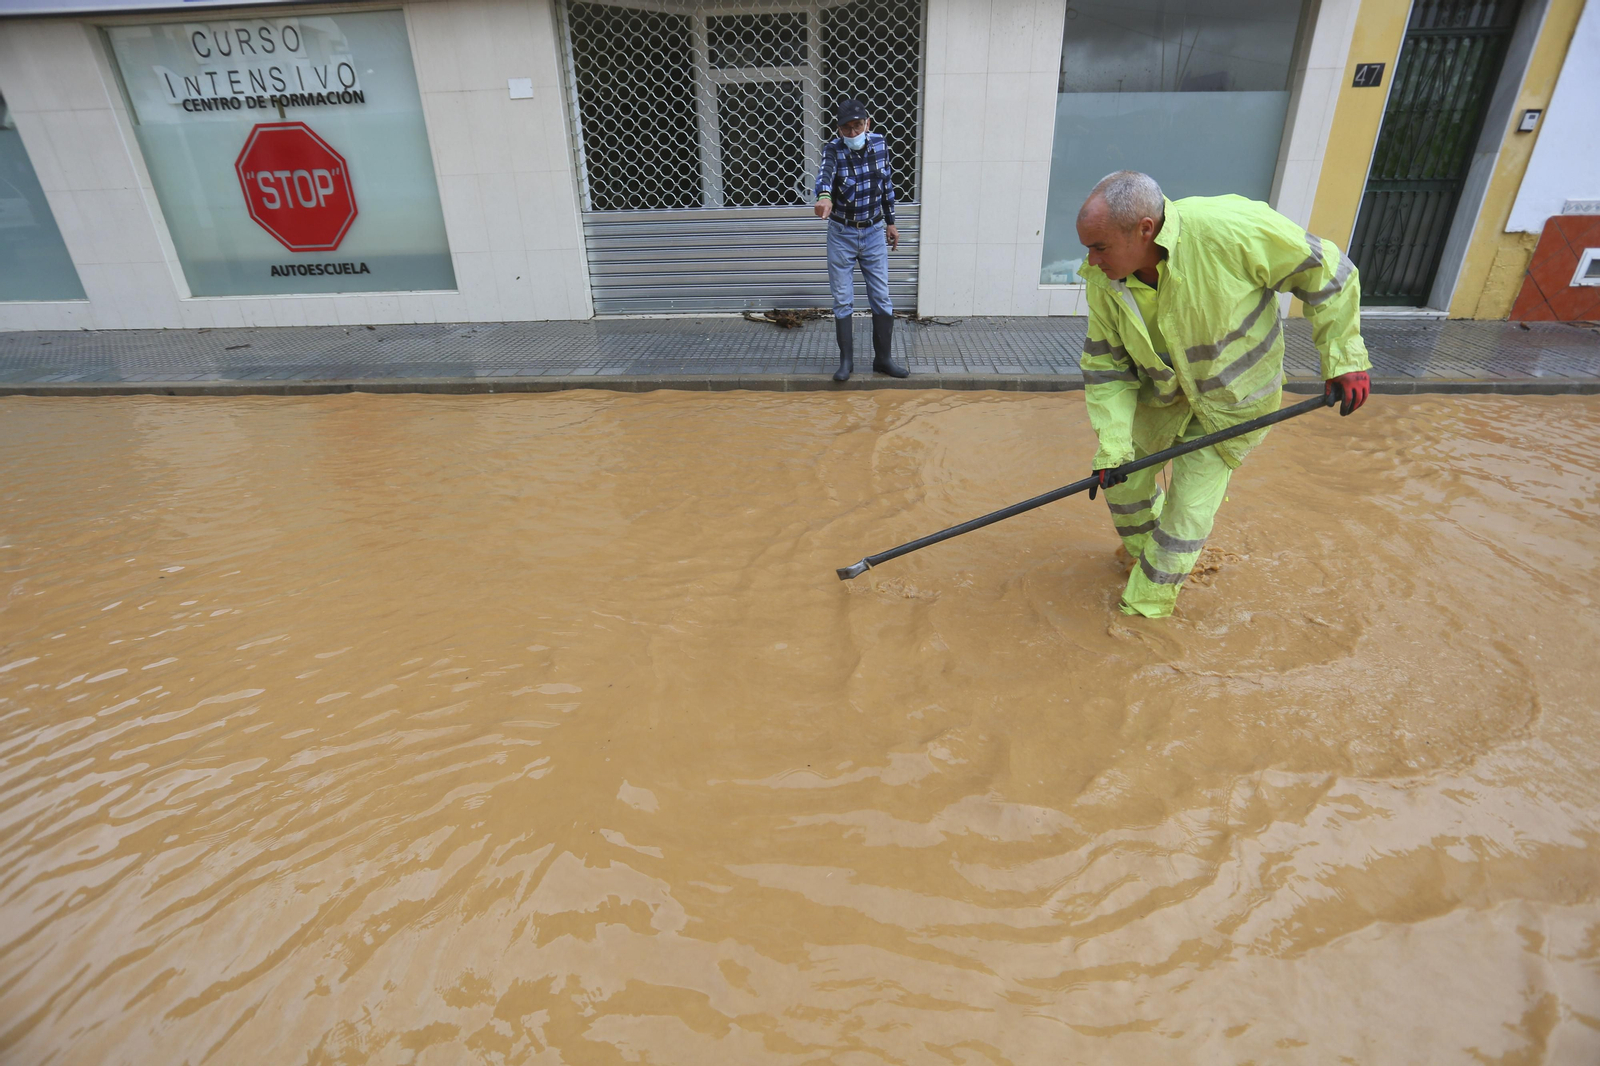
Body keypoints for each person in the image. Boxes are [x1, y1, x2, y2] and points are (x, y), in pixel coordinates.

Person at [1075, 171, 1372, 619]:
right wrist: (1112, 449)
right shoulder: (1105, 280)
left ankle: (1141, 615)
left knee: (1185, 515)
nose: (1091, 261)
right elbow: (1107, 367)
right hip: (1161, 399)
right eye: (1087, 248)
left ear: (1144, 229)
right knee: (1123, 487)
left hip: (1232, 404)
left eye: (1100, 247)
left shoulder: (1232, 229)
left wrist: (1344, 359)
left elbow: (1328, 272)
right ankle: (1141, 555)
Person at [814, 99, 908, 382]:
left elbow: (887, 184)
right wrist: (824, 197)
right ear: (839, 129)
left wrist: (891, 222)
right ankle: (846, 362)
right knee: (843, 299)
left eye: (857, 127)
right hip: (842, 234)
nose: (853, 134)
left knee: (881, 296)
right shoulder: (833, 149)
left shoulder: (880, 145)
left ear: (868, 124)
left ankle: (883, 359)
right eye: (847, 129)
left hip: (873, 232)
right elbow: (825, 176)